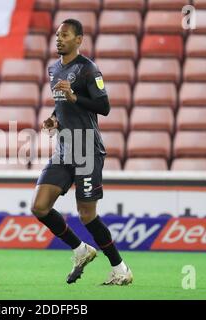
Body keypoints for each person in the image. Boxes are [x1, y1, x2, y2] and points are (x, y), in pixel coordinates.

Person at [30, 19, 133, 285]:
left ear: (79, 40)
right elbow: (62, 105)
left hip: (87, 149)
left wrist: (76, 97)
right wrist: (53, 118)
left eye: (65, 35)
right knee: (40, 207)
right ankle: (80, 249)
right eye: (57, 35)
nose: (59, 39)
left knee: (87, 215)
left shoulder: (89, 70)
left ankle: (121, 269)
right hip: (63, 149)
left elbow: (104, 106)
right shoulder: (54, 69)